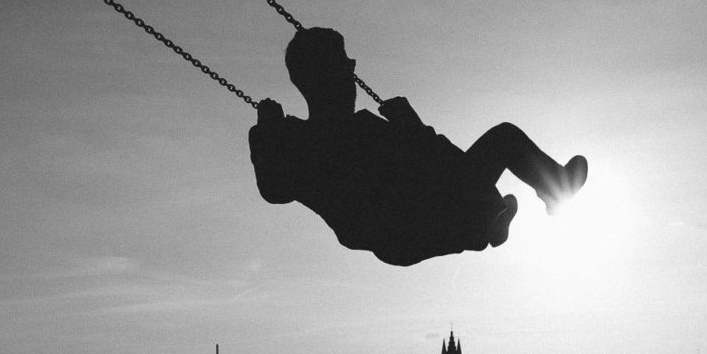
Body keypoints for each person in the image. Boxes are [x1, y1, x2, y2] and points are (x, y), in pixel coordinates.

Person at [249, 27, 588, 266]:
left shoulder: (335, 132)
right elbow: (276, 190)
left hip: (419, 226)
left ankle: (494, 215)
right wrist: (412, 127)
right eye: (343, 59)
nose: (353, 66)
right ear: (322, 74)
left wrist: (410, 127)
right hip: (408, 225)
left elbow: (442, 167)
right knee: (504, 139)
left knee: (487, 162)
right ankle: (518, 203)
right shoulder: (305, 138)